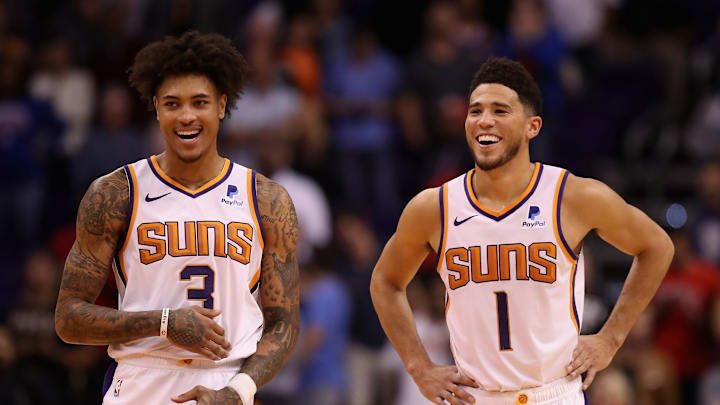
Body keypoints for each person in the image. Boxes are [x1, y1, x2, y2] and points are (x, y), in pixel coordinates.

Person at [370, 57, 673, 405]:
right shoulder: (434, 207)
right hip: (474, 396)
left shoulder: (573, 196)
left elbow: (656, 247)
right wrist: (418, 367)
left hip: (552, 393)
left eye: (500, 111)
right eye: (476, 110)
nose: (484, 121)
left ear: (532, 126)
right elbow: (385, 281)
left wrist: (611, 338)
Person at [54, 31, 299, 405]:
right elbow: (68, 319)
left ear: (221, 105)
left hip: (227, 384)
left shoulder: (266, 199)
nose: (186, 116)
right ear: (156, 108)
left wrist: (239, 390)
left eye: (199, 102)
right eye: (172, 104)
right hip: (141, 379)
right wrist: (163, 322)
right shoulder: (115, 194)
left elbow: (283, 322)